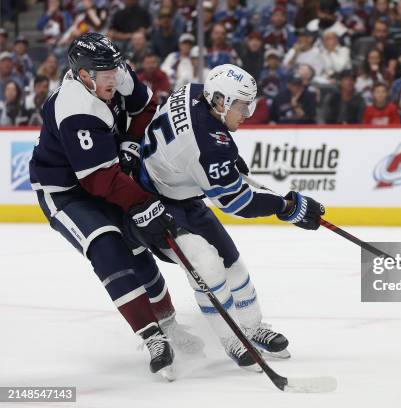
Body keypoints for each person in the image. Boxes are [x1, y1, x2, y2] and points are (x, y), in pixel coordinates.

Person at [28, 33, 202, 380]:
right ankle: (152, 336)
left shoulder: (116, 75)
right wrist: (143, 202)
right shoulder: (75, 108)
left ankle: (169, 324)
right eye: (104, 72)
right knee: (107, 246)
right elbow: (99, 180)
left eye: (115, 68)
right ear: (82, 75)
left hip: (103, 178)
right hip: (65, 192)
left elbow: (146, 109)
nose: (114, 76)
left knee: (137, 247)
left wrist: (132, 144)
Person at [136, 64, 325, 370]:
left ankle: (252, 328)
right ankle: (233, 340)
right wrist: (286, 207)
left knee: (232, 262)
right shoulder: (209, 145)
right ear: (221, 101)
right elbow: (236, 202)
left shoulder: (196, 92)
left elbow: (188, 127)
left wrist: (229, 158)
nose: (248, 113)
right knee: (208, 268)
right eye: (242, 106)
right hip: (158, 206)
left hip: (181, 191)